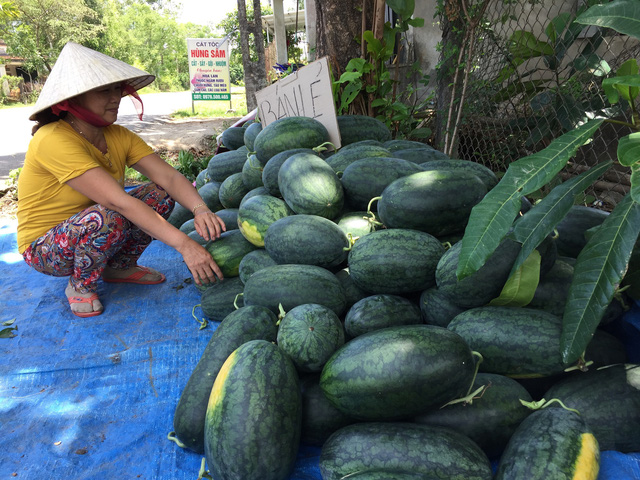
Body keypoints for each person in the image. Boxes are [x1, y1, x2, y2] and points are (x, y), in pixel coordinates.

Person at [17, 42, 226, 318]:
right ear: (74, 99)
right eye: (104, 90)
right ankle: (79, 286)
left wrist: (201, 209)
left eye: (117, 88)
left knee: (159, 194)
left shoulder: (118, 135)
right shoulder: (51, 139)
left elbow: (169, 177)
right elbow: (117, 201)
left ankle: (120, 266)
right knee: (108, 216)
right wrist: (185, 245)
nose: (115, 97)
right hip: (46, 246)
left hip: (94, 220)